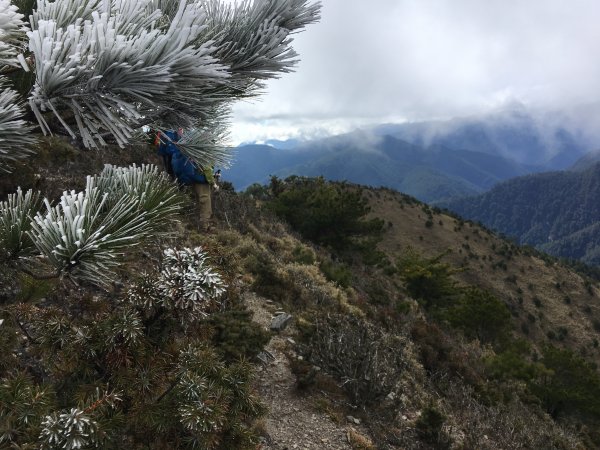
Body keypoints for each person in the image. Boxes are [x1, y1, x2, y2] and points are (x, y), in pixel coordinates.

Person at [171, 150, 218, 231]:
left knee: (198, 200)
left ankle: (198, 223)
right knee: (205, 201)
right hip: (201, 179)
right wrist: (213, 182)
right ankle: (204, 226)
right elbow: (206, 168)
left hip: (192, 177)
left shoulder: (191, 143)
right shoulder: (204, 146)